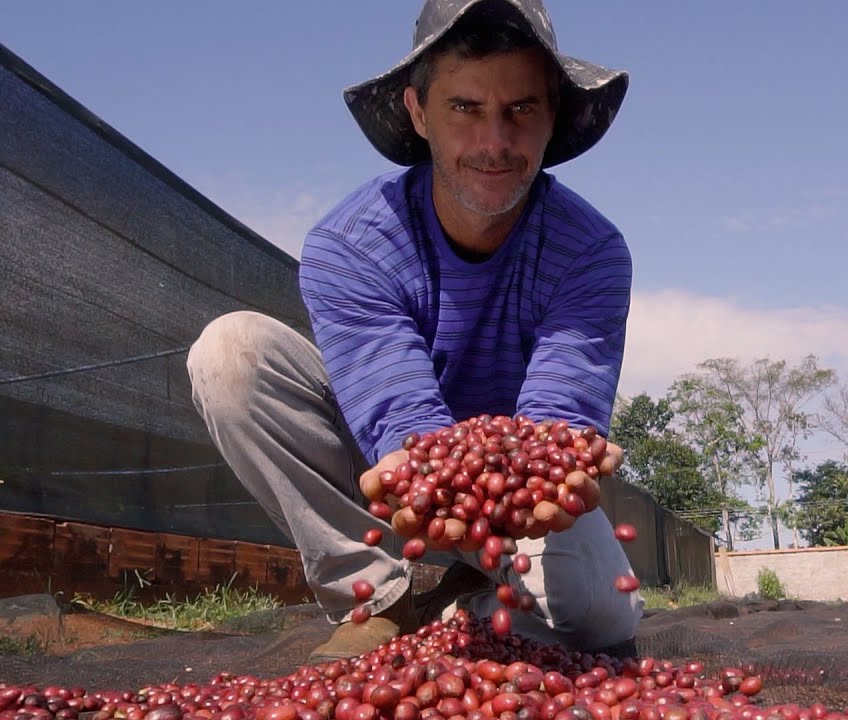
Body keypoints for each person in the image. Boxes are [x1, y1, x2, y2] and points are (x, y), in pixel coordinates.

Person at [186, 0, 641, 663]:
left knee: (603, 616)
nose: (494, 142)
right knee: (231, 353)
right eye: (465, 108)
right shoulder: (352, 244)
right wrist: (430, 464)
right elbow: (401, 418)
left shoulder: (591, 252)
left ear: (552, 120)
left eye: (521, 110)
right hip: (393, 476)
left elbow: (555, 419)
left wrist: (545, 468)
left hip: (516, 494)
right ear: (419, 112)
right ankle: (374, 596)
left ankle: (456, 602)